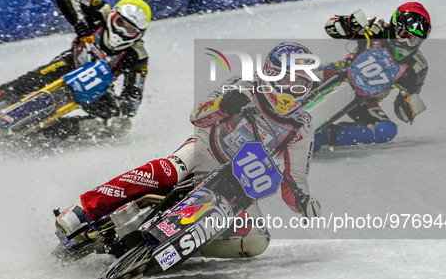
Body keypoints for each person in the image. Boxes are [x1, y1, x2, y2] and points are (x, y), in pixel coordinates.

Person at [56, 42, 322, 258]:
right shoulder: (243, 85)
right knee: (169, 170)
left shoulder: (302, 126)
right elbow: (197, 116)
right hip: (205, 149)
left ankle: (183, 248)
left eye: (300, 85)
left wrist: (304, 203)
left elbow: (294, 175)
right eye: (288, 81)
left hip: (241, 181)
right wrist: (224, 105)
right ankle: (85, 209)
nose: (291, 91)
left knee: (255, 240)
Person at [0, 0, 152, 139]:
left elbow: (134, 96)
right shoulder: (101, 10)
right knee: (30, 80)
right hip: (71, 62)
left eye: (129, 30)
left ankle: (70, 130)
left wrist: (122, 109)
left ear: (139, 35)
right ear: (113, 17)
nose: (121, 32)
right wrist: (79, 21)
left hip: (97, 88)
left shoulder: (138, 55)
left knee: (118, 123)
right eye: (120, 23)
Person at [314, 2, 431, 151]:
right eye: (404, 35)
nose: (406, 42)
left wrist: (408, 108)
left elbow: (404, 104)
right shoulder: (375, 28)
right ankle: (279, 102)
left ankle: (324, 136)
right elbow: (331, 27)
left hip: (366, 101)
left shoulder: (417, 67)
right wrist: (350, 23)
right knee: (301, 76)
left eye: (413, 39)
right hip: (340, 73)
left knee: (385, 130)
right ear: (394, 27)